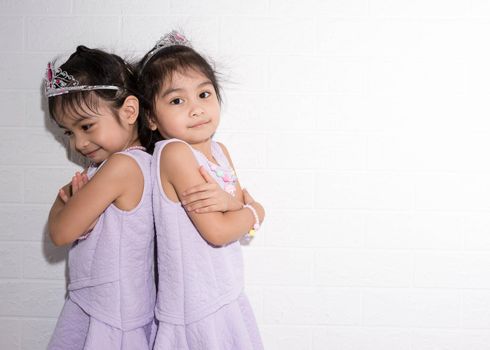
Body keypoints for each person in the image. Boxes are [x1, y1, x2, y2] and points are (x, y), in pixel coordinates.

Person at [138, 31, 265, 349]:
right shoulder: (175, 153)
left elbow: (233, 211)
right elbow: (220, 231)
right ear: (151, 117)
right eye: (177, 100)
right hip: (195, 308)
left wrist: (234, 206)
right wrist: (255, 211)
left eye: (204, 95)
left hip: (226, 293)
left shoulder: (220, 151)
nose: (195, 109)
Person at [45, 46, 156, 349]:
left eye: (86, 126)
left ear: (129, 111)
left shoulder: (122, 166)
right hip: (101, 305)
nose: (78, 142)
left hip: (111, 317)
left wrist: (64, 199)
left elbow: (60, 232)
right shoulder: (109, 167)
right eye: (68, 133)